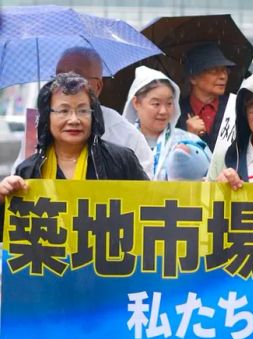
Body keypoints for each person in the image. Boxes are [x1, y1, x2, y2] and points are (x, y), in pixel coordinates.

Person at [0, 73, 149, 233]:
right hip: (51, 258)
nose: (74, 120)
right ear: (46, 117)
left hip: (107, 256)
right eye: (64, 111)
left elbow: (149, 210)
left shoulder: (121, 160)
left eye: (83, 111)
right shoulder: (28, 170)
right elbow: (13, 237)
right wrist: (3, 201)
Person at [53, 47, 154, 178]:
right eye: (59, 77)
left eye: (75, 77)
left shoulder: (127, 138)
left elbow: (146, 193)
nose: (65, 84)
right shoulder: (40, 129)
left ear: (98, 86)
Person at [123, 66, 211, 180]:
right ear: (136, 103)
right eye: (156, 104)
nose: (163, 111)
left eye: (169, 103)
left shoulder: (188, 142)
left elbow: (212, 179)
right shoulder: (122, 143)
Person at [177, 43, 235, 150]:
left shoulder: (234, 108)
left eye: (225, 70)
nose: (223, 76)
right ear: (193, 78)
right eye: (214, 70)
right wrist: (189, 137)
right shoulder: (176, 112)